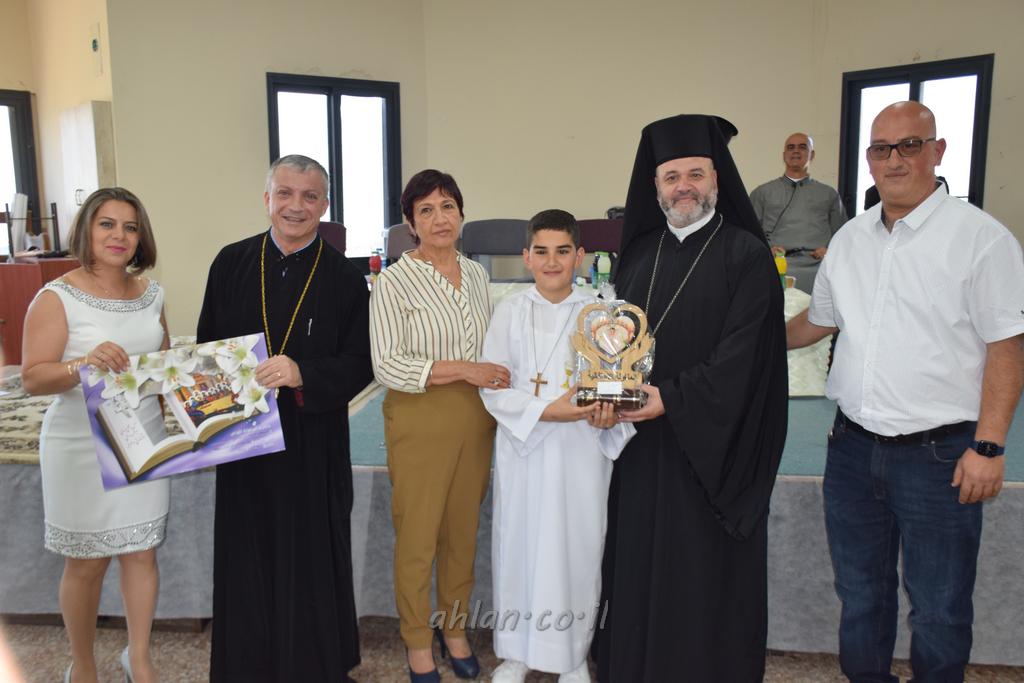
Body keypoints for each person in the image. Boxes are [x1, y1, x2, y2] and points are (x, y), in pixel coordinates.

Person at [787, 101, 1024, 682]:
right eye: (880, 148)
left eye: (909, 145)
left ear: (937, 151)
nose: (893, 160)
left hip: (940, 456)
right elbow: (818, 322)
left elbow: (1007, 347)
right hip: (852, 450)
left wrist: (989, 446)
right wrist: (744, 341)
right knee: (860, 593)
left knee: (939, 607)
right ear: (868, 159)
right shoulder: (849, 239)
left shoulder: (982, 240)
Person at [593, 114, 789, 682]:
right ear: (655, 187)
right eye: (672, 176)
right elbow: (614, 343)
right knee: (639, 563)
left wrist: (672, 399)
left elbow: (745, 358)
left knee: (698, 575)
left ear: (717, 179)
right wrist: (606, 393)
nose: (684, 187)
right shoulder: (638, 255)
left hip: (710, 453)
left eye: (696, 174)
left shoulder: (746, 255)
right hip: (640, 448)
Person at [197, 155, 373, 682]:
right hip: (243, 440)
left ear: (325, 204)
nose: (296, 206)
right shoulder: (231, 262)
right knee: (246, 552)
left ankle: (313, 667)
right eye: (285, 193)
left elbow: (361, 362)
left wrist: (303, 374)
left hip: (311, 439)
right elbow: (206, 349)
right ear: (267, 198)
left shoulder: (345, 278)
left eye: (310, 196)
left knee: (310, 552)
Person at [479, 210, 634, 683]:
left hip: (580, 451)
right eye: (541, 252)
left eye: (562, 251)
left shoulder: (601, 313)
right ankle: (516, 654)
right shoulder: (509, 311)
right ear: (526, 257)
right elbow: (492, 386)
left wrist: (610, 412)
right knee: (518, 547)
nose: (552, 262)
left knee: (578, 549)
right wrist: (548, 411)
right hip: (524, 449)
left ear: (580, 256)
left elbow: (616, 384)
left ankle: (572, 657)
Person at [22, 187, 169, 683]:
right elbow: (33, 378)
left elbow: (162, 366)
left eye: (130, 227)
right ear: (87, 228)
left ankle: (139, 660)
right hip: (80, 445)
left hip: (143, 438)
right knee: (87, 563)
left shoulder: (152, 294)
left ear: (140, 237)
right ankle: (82, 666)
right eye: (107, 224)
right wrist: (83, 364)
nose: (118, 235)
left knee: (142, 552)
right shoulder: (56, 297)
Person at [369, 169, 508, 682]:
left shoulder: (476, 275)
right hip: (419, 417)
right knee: (419, 538)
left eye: (447, 206)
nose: (439, 218)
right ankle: (416, 643)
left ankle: (454, 630)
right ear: (410, 224)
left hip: (475, 419)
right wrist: (465, 369)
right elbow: (387, 364)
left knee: (462, 534)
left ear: (462, 214)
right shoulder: (393, 281)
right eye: (425, 210)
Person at [749, 132, 846, 292]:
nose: (796, 151)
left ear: (812, 154)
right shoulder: (763, 193)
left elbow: (843, 235)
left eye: (802, 147)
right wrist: (766, 249)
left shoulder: (829, 194)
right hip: (776, 264)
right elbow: (749, 233)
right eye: (791, 147)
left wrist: (830, 250)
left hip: (818, 267)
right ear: (784, 155)